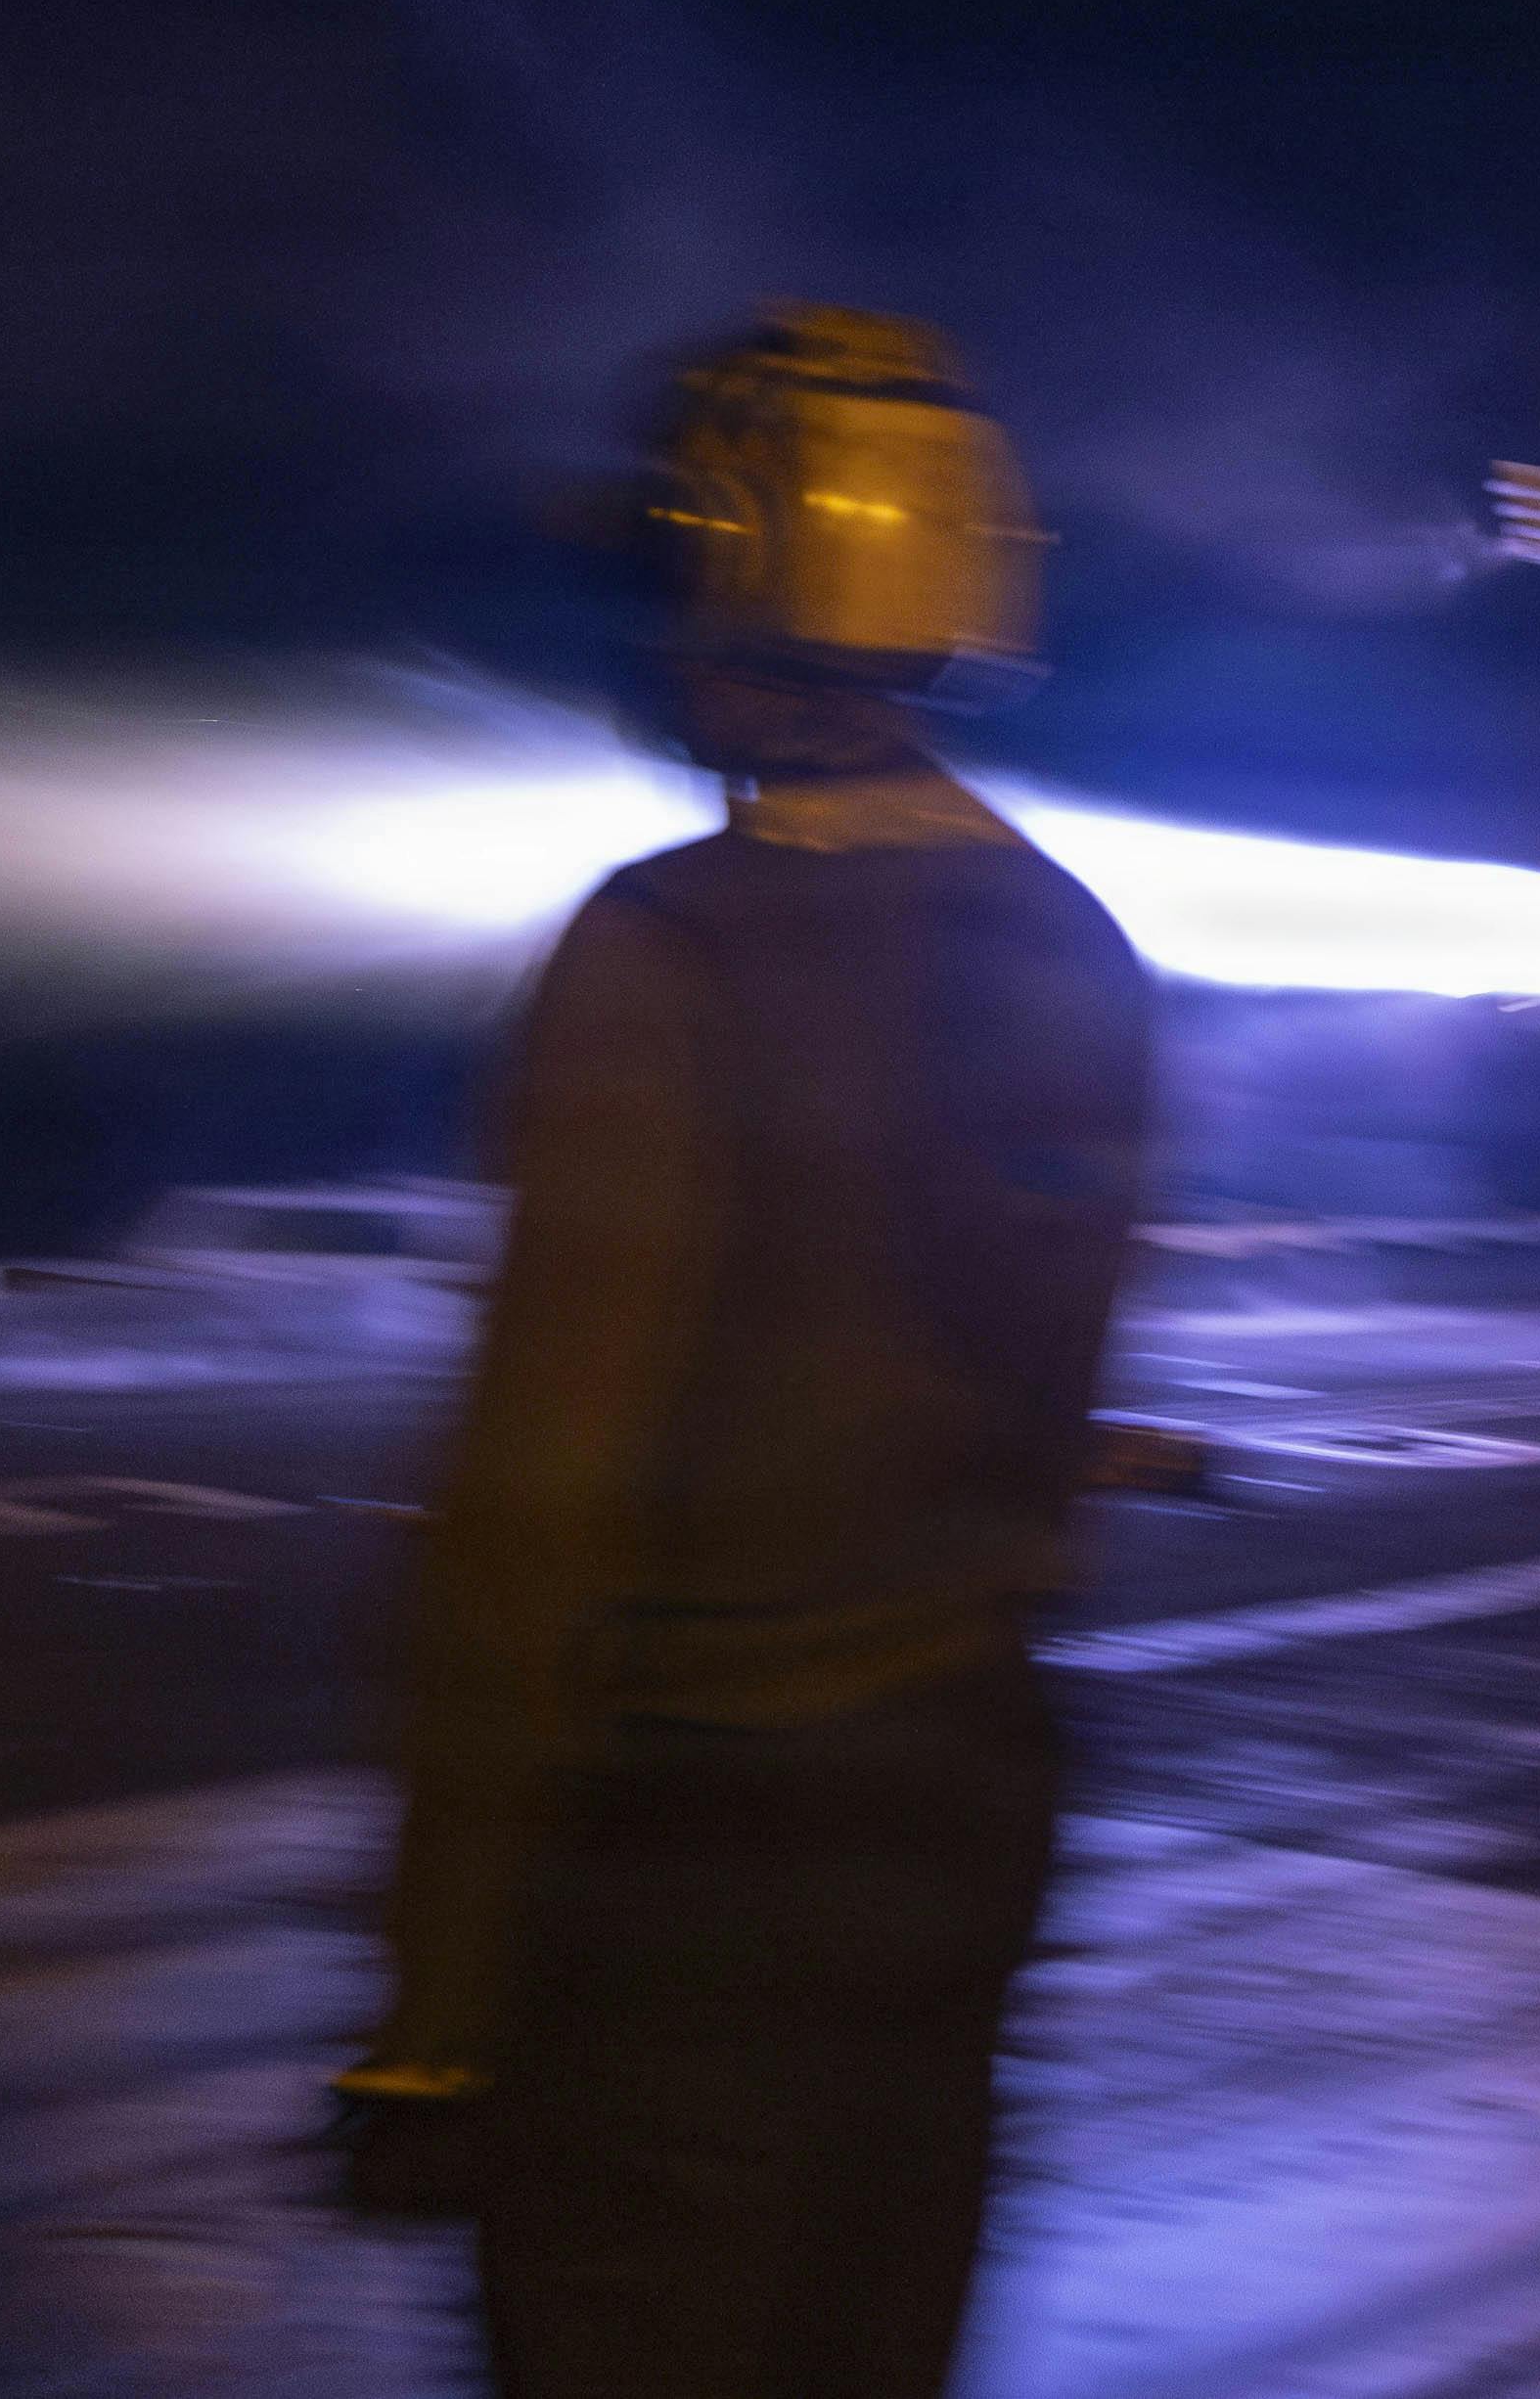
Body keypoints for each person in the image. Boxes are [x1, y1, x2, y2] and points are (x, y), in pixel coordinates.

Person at [331, 305, 1154, 2399]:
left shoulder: (661, 949)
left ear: (734, 566)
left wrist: (435, 2018)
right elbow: (1038, 1409)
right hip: (959, 1811)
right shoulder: (1073, 942)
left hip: (688, 1878)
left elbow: (533, 1526)